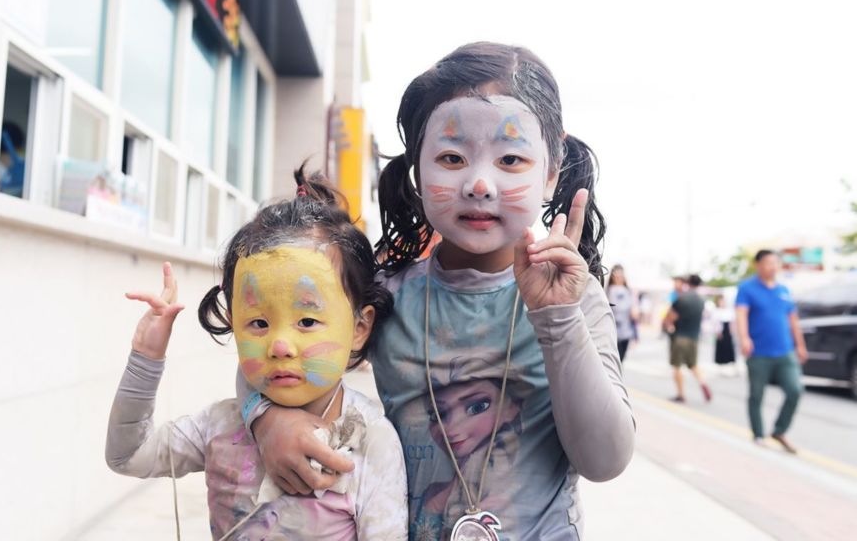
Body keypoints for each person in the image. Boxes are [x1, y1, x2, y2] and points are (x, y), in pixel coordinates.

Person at [243, 42, 635, 539]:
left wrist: (556, 319)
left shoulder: (573, 301)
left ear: (551, 170)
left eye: (511, 159)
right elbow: (266, 353)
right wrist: (266, 418)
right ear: (418, 171)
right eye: (451, 157)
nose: (478, 183)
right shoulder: (383, 296)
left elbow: (605, 460)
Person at [105, 168, 408, 540]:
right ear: (233, 322)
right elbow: (128, 456)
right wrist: (146, 359)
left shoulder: (371, 441)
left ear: (360, 328)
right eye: (259, 323)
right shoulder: (219, 426)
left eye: (308, 320)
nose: (280, 346)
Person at [735, 249, 809, 453]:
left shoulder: (784, 290)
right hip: (758, 352)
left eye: (776, 263)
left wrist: (800, 345)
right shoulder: (747, 288)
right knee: (756, 395)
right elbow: (741, 314)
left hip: (785, 352)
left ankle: (779, 431)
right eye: (768, 262)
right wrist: (744, 338)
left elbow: (793, 320)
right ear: (758, 265)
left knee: (795, 390)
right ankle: (758, 434)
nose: (773, 266)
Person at [663, 274, 712, 402]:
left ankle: (680, 394)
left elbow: (670, 318)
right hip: (694, 338)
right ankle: (703, 383)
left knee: (677, 366)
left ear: (687, 283)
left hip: (680, 337)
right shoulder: (701, 301)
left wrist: (668, 326)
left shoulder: (681, 299)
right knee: (693, 365)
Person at [606, 264, 638, 361]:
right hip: (610, 331)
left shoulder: (628, 291)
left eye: (621, 275)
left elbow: (634, 313)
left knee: (620, 360)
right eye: (616, 275)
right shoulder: (607, 291)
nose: (619, 277)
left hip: (625, 331)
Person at [712, 295, 737, 374]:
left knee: (729, 347)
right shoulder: (716, 311)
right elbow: (715, 323)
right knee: (721, 348)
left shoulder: (729, 311)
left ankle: (730, 364)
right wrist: (718, 332)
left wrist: (732, 330)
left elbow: (732, 322)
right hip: (721, 330)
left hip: (727, 331)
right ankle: (721, 364)